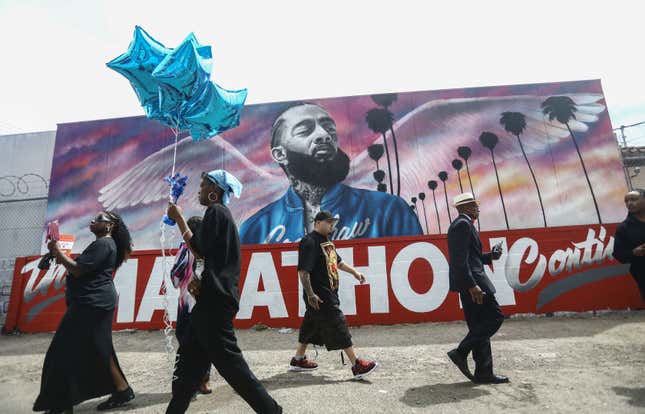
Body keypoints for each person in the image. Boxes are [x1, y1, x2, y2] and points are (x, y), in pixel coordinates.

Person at [165, 170, 282, 414]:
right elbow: (211, 260)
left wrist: (178, 218)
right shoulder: (220, 215)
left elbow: (199, 249)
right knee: (187, 368)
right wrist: (200, 280)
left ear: (214, 191)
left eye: (203, 185)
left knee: (233, 369)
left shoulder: (217, 212)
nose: (198, 191)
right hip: (208, 304)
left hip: (214, 306)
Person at [239, 103, 423, 244]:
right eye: (305, 131)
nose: (324, 134)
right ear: (280, 154)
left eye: (329, 129)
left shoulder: (389, 211)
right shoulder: (255, 230)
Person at [33, 211, 135, 413]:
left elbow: (78, 269)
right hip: (96, 302)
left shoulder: (104, 244)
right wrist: (56, 254)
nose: (92, 221)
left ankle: (59, 404)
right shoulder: (104, 244)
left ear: (110, 226)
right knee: (100, 347)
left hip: (91, 304)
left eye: (98, 219)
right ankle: (122, 389)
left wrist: (57, 253)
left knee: (62, 351)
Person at [289, 210, 378, 380]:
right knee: (339, 324)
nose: (331, 225)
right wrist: (311, 295)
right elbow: (303, 272)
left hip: (327, 292)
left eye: (332, 222)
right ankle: (357, 365)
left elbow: (338, 262)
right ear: (317, 223)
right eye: (328, 222)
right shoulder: (309, 242)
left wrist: (355, 273)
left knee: (310, 325)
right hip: (320, 295)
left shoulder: (327, 242)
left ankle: (298, 359)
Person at [445, 193, 508, 384]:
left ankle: (484, 373)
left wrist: (490, 256)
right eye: (475, 206)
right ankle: (461, 351)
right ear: (466, 208)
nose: (478, 209)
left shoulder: (464, 225)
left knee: (479, 326)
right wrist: (472, 285)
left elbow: (472, 257)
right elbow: (458, 260)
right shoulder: (462, 225)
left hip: (471, 281)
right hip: (474, 284)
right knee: (495, 317)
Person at [170, 216, 212, 396]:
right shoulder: (207, 248)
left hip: (187, 304)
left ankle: (193, 383)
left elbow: (175, 276)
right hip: (198, 304)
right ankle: (201, 382)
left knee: (188, 343)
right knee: (202, 342)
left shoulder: (185, 249)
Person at [612, 188, 645, 302]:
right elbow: (618, 254)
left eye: (634, 199)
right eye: (626, 200)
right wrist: (634, 253)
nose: (629, 203)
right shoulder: (624, 228)